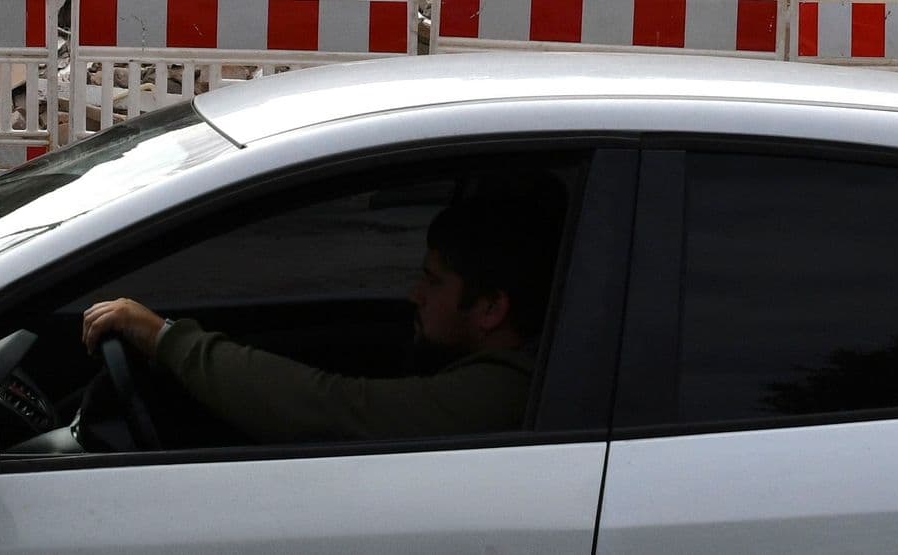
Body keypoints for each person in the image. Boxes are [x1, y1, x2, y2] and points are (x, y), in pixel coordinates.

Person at [80, 189, 563, 445]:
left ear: (491, 308)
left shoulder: (504, 393)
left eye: (433, 281)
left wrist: (163, 338)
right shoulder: (514, 375)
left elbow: (333, 409)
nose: (415, 293)